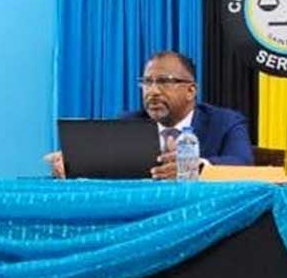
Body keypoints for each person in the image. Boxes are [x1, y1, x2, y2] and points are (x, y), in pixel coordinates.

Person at [48, 50, 253, 180]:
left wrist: (196, 167)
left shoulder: (225, 122)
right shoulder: (128, 124)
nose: (152, 91)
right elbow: (103, 168)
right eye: (147, 82)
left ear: (191, 91)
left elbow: (244, 164)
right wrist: (74, 165)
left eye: (164, 81)